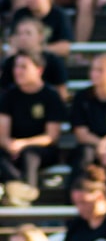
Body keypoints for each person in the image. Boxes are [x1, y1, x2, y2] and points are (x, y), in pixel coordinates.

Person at [0, 50, 66, 204]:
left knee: (30, 154)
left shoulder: (50, 96)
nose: (18, 71)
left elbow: (51, 136)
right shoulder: (9, 95)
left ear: (39, 70)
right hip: (13, 149)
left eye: (24, 67)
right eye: (16, 67)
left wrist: (22, 144)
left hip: (41, 150)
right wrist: (10, 145)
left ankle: (28, 189)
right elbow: (2, 133)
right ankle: (19, 189)